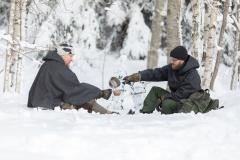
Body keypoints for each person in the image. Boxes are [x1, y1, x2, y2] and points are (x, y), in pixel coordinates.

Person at [28, 43, 115, 114]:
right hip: (49, 104)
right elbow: (75, 91)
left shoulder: (49, 64)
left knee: (83, 99)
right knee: (85, 101)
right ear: (63, 54)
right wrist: (99, 93)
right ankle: (107, 114)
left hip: (40, 102)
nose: (72, 59)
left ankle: (107, 113)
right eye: (70, 56)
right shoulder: (59, 68)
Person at [123, 46, 202, 114]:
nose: (172, 62)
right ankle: (145, 113)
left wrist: (164, 98)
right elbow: (156, 73)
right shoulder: (172, 68)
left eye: (174, 60)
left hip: (187, 102)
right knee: (155, 90)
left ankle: (165, 122)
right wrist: (139, 76)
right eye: (172, 59)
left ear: (182, 61)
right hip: (175, 97)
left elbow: (182, 94)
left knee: (167, 103)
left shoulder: (192, 75)